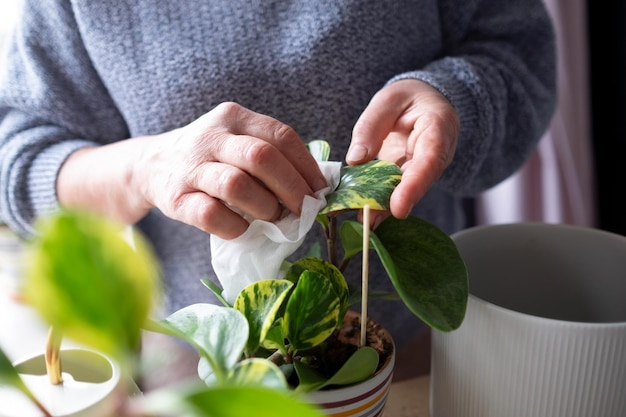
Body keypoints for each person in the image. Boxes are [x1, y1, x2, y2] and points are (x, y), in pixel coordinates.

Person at [0, 0, 556, 382]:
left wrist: (452, 99)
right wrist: (143, 167)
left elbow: (518, 52)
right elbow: (16, 155)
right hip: (201, 361)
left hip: (402, 350)